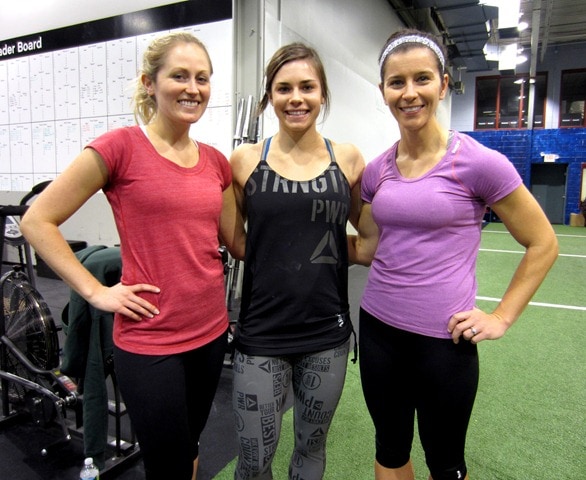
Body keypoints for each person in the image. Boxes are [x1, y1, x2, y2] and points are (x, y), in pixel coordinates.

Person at [21, 32, 245, 480]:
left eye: (202, 78)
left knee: (190, 446)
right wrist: (95, 292)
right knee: (167, 463)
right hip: (150, 341)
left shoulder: (216, 161)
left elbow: (238, 243)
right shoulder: (119, 147)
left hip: (210, 332)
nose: (193, 88)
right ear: (149, 83)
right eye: (179, 76)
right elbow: (37, 220)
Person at [349, 29, 559, 480]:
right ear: (384, 91)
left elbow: (543, 243)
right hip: (379, 331)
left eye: (422, 79)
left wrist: (501, 317)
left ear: (443, 84)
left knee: (445, 465)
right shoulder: (377, 170)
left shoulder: (479, 163)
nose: (409, 93)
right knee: (389, 449)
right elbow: (367, 245)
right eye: (397, 82)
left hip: (444, 342)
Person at [229, 42, 365, 479]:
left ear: (322, 93)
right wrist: (284, 251)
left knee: (310, 447)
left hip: (326, 333)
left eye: (307, 87)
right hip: (261, 332)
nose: (296, 98)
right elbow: (236, 241)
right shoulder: (245, 160)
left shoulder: (347, 158)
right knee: (253, 461)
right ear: (270, 96)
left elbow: (370, 238)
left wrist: (326, 252)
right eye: (283, 88)